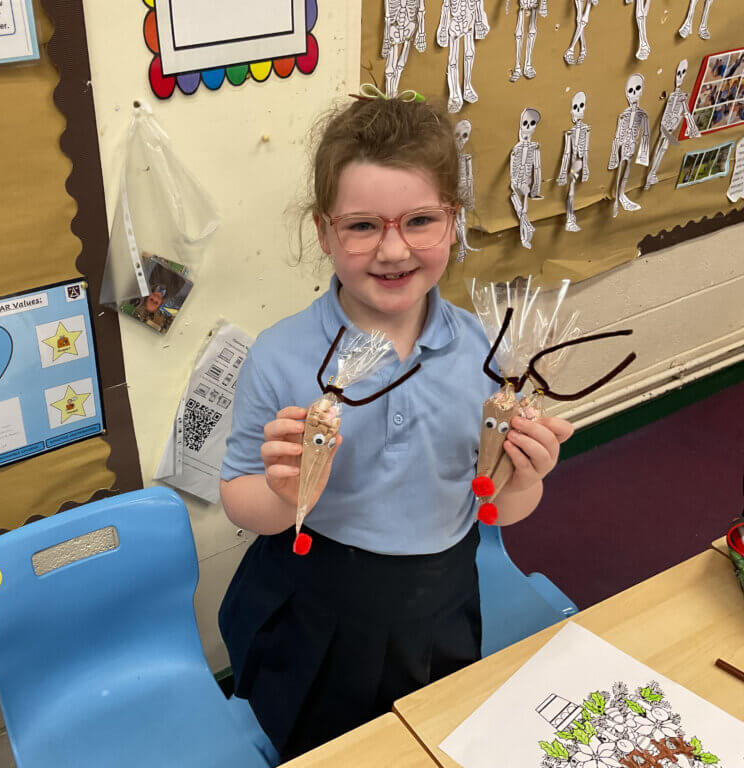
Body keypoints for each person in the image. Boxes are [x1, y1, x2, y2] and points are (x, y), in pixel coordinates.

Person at [218, 94, 573, 761]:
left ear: (453, 223)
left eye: (419, 220)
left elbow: (501, 508)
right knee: (325, 747)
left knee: (430, 736)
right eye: (361, 227)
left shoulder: (485, 353)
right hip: (315, 602)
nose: (393, 249)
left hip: (438, 599)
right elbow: (243, 500)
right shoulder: (282, 355)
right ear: (324, 232)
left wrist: (527, 475)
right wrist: (281, 487)